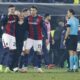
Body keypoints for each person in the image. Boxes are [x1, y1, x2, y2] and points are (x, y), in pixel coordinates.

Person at [20, 6, 48, 73]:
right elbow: (25, 27)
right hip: (29, 38)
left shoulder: (40, 18)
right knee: (26, 52)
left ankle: (39, 67)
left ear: (36, 11)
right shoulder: (27, 18)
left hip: (38, 38)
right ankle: (25, 67)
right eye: (31, 10)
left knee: (38, 52)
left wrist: (46, 37)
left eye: (34, 10)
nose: (32, 11)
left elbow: (44, 28)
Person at [1, 5, 18, 72]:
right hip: (6, 35)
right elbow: (2, 22)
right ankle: (1, 65)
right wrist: (7, 16)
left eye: (13, 9)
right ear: (8, 10)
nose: (12, 10)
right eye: (11, 9)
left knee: (12, 52)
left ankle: (8, 67)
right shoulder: (5, 16)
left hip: (13, 36)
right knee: (6, 50)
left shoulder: (15, 17)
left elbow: (19, 20)